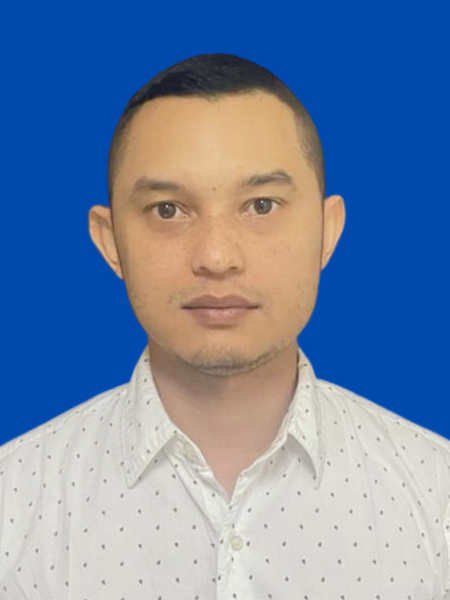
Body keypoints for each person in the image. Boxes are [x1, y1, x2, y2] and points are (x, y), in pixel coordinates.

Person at [1, 53, 449, 600]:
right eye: (168, 210)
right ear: (110, 240)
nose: (216, 257)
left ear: (327, 231)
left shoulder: (437, 496)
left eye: (261, 205)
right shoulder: (13, 503)